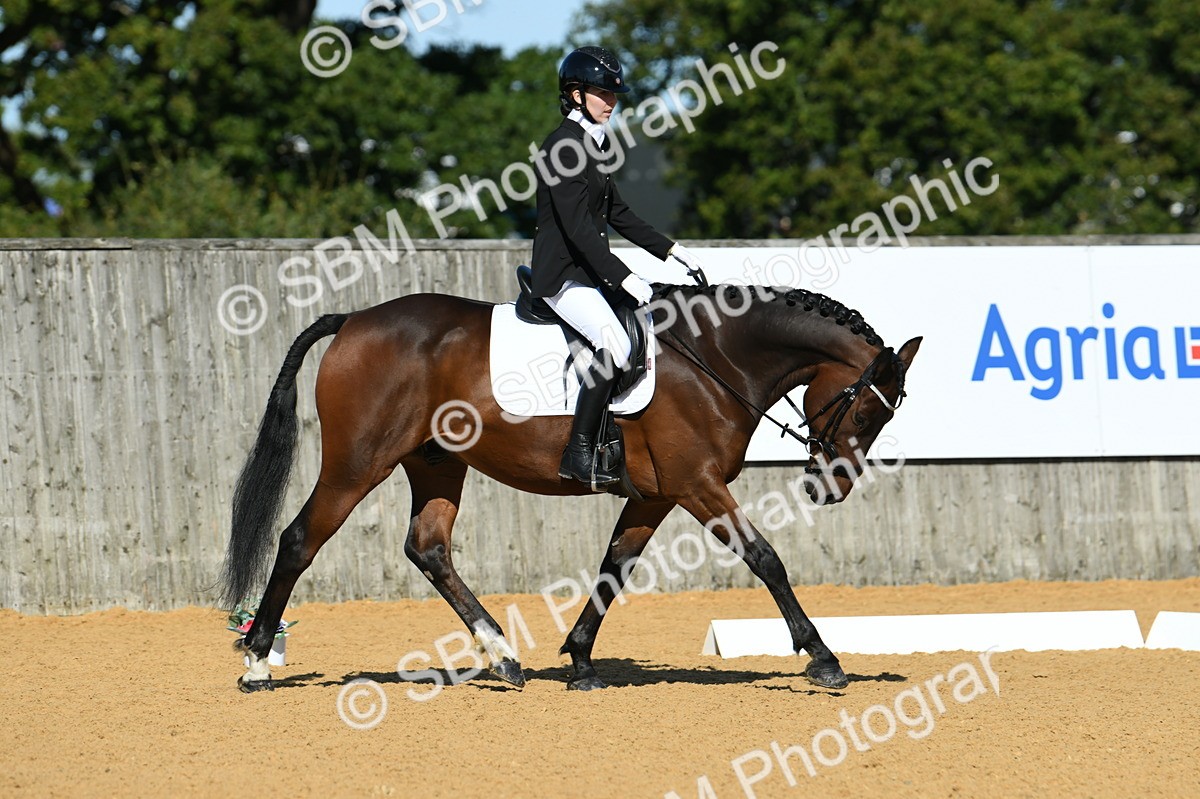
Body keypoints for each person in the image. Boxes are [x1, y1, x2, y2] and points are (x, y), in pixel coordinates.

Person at [530, 45, 705, 490]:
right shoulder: (561, 147)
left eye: (615, 95)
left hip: (587, 273)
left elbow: (619, 214)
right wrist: (624, 277)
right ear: (575, 94)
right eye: (602, 94)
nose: (612, 102)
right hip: (562, 276)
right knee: (615, 345)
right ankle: (581, 451)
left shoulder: (593, 144)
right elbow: (577, 230)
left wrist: (672, 251)